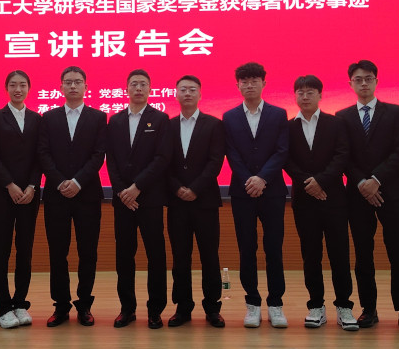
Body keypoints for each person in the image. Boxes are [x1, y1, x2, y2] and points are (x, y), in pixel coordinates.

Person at [336, 60, 399, 332]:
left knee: (398, 253)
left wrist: (376, 180)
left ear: (376, 81)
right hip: (358, 196)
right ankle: (368, 309)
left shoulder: (395, 112)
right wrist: (363, 182)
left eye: (368, 78)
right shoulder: (342, 116)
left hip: (391, 193)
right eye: (358, 79)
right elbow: (343, 155)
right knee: (363, 255)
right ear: (351, 83)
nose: (363, 83)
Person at [284, 75, 358, 331]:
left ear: (320, 95)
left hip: (334, 199)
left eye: (310, 92)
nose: (305, 96)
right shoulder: (288, 127)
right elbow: (286, 159)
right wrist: (309, 183)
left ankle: (344, 306)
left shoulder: (335, 123)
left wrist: (321, 182)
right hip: (304, 201)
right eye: (300, 92)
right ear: (295, 96)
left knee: (340, 254)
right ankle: (316, 305)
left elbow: (342, 155)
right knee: (310, 255)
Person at [39, 66, 107, 327]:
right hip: (56, 195)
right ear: (61, 87)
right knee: (58, 252)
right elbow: (43, 154)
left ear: (86, 87)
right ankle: (61, 305)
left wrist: (78, 182)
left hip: (87, 194)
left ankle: (84, 304)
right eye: (68, 82)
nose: (73, 86)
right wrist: (60, 182)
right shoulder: (49, 118)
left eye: (78, 82)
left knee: (87, 252)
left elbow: (98, 155)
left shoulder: (98, 117)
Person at [223, 62, 289, 328]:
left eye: (254, 80)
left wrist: (262, 178)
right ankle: (252, 303)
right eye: (244, 81)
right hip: (242, 193)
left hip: (272, 191)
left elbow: (282, 151)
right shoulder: (229, 117)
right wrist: (248, 180)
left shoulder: (278, 114)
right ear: (237, 85)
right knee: (246, 249)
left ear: (264, 83)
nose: (249, 85)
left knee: (274, 248)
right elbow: (231, 153)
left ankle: (275, 304)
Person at [107, 69, 171, 329]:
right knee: (124, 256)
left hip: (150, 198)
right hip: (123, 201)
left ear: (150, 89)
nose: (138, 88)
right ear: (126, 89)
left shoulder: (160, 119)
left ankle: (155, 310)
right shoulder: (115, 120)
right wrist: (123, 191)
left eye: (143, 84)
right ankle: (127, 309)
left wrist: (137, 187)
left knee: (156, 255)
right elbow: (111, 159)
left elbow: (162, 159)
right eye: (134, 84)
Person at [166, 75, 226, 329]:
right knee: (180, 257)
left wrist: (195, 188)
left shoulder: (214, 124)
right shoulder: (167, 125)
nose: (188, 93)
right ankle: (183, 308)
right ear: (176, 94)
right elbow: (163, 162)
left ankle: (213, 308)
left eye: (192, 89)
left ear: (200, 94)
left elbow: (215, 161)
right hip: (176, 202)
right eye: (183, 89)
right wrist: (177, 188)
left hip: (205, 202)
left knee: (209, 256)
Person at [0, 70, 42, 329]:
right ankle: (3, 307)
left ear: (29, 88)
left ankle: (20, 302)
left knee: (25, 249)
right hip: (2, 192)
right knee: (1, 249)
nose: (18, 89)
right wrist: (9, 184)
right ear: (6, 88)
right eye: (13, 85)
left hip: (29, 194)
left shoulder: (37, 119)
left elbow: (40, 156)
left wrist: (31, 185)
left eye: (22, 85)